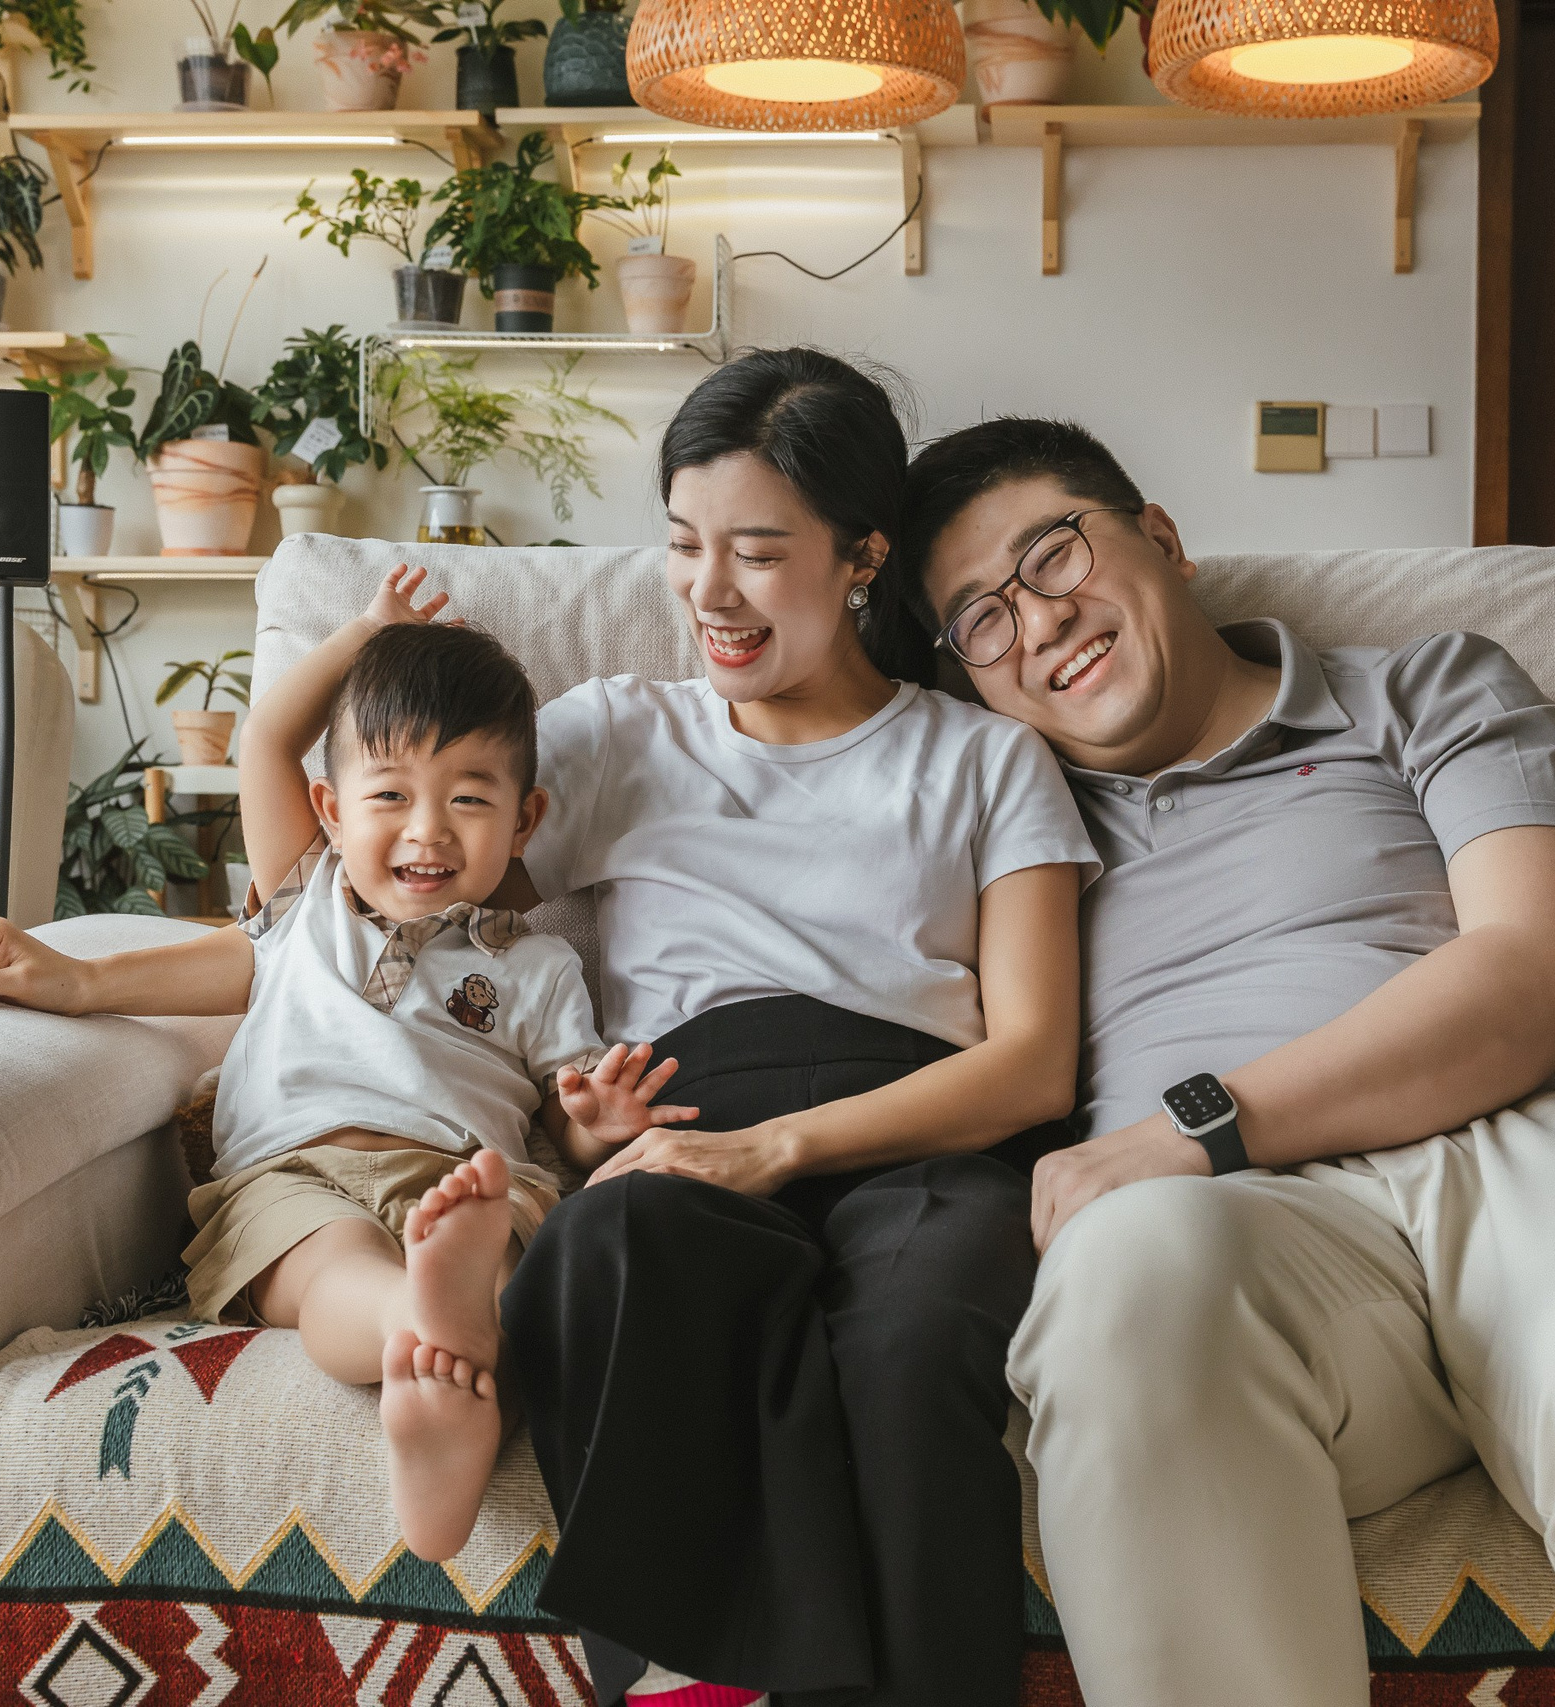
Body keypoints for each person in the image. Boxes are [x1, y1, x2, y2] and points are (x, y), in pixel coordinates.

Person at [884, 417, 1555, 1707]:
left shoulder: (1424, 690)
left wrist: (1198, 1122)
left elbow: (1547, 969)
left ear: (1160, 539)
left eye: (1051, 559)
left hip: (1552, 1165)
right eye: (981, 622)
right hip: (1253, 1247)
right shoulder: (1004, 834)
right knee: (1120, 1291)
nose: (1038, 624)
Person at [484, 348, 1096, 1707]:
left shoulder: (985, 756)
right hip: (685, 1117)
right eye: (685, 544)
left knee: (912, 1333)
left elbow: (1037, 1057)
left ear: (863, 553)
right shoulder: (607, 737)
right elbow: (395, 901)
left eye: (758, 552)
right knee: (609, 1239)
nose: (709, 590)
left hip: (926, 1134)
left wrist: (779, 1148)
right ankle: (689, 1680)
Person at [0, 597, 695, 1564]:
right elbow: (270, 737)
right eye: (390, 794)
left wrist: (595, 1125)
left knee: (531, 1259)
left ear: (526, 821)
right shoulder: (306, 898)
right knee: (335, 1262)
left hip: (470, 1180)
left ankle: (448, 1378)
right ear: (330, 810)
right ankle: (420, 1318)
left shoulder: (535, 967)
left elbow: (565, 1126)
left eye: (470, 799)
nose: (427, 831)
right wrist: (369, 632)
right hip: (295, 1178)